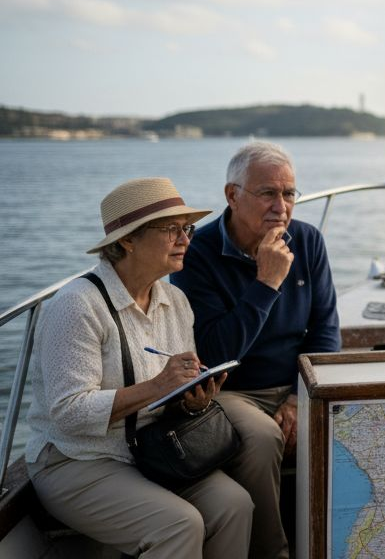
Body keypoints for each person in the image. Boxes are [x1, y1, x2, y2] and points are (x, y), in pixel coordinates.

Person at [25, 177, 252, 558]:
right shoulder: (78, 305)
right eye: (171, 230)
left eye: (188, 229)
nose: (185, 239)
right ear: (127, 241)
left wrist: (192, 401)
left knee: (234, 505)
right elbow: (67, 414)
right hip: (76, 459)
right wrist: (159, 386)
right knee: (179, 525)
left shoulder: (175, 300)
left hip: (151, 448)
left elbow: (171, 393)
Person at [171, 141, 341, 559]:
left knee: (352, 421)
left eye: (289, 194)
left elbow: (325, 332)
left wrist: (298, 399)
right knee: (265, 438)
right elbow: (213, 351)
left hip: (294, 384)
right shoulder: (200, 254)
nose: (281, 206)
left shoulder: (308, 241)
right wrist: (266, 283)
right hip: (229, 389)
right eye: (267, 192)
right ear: (232, 195)